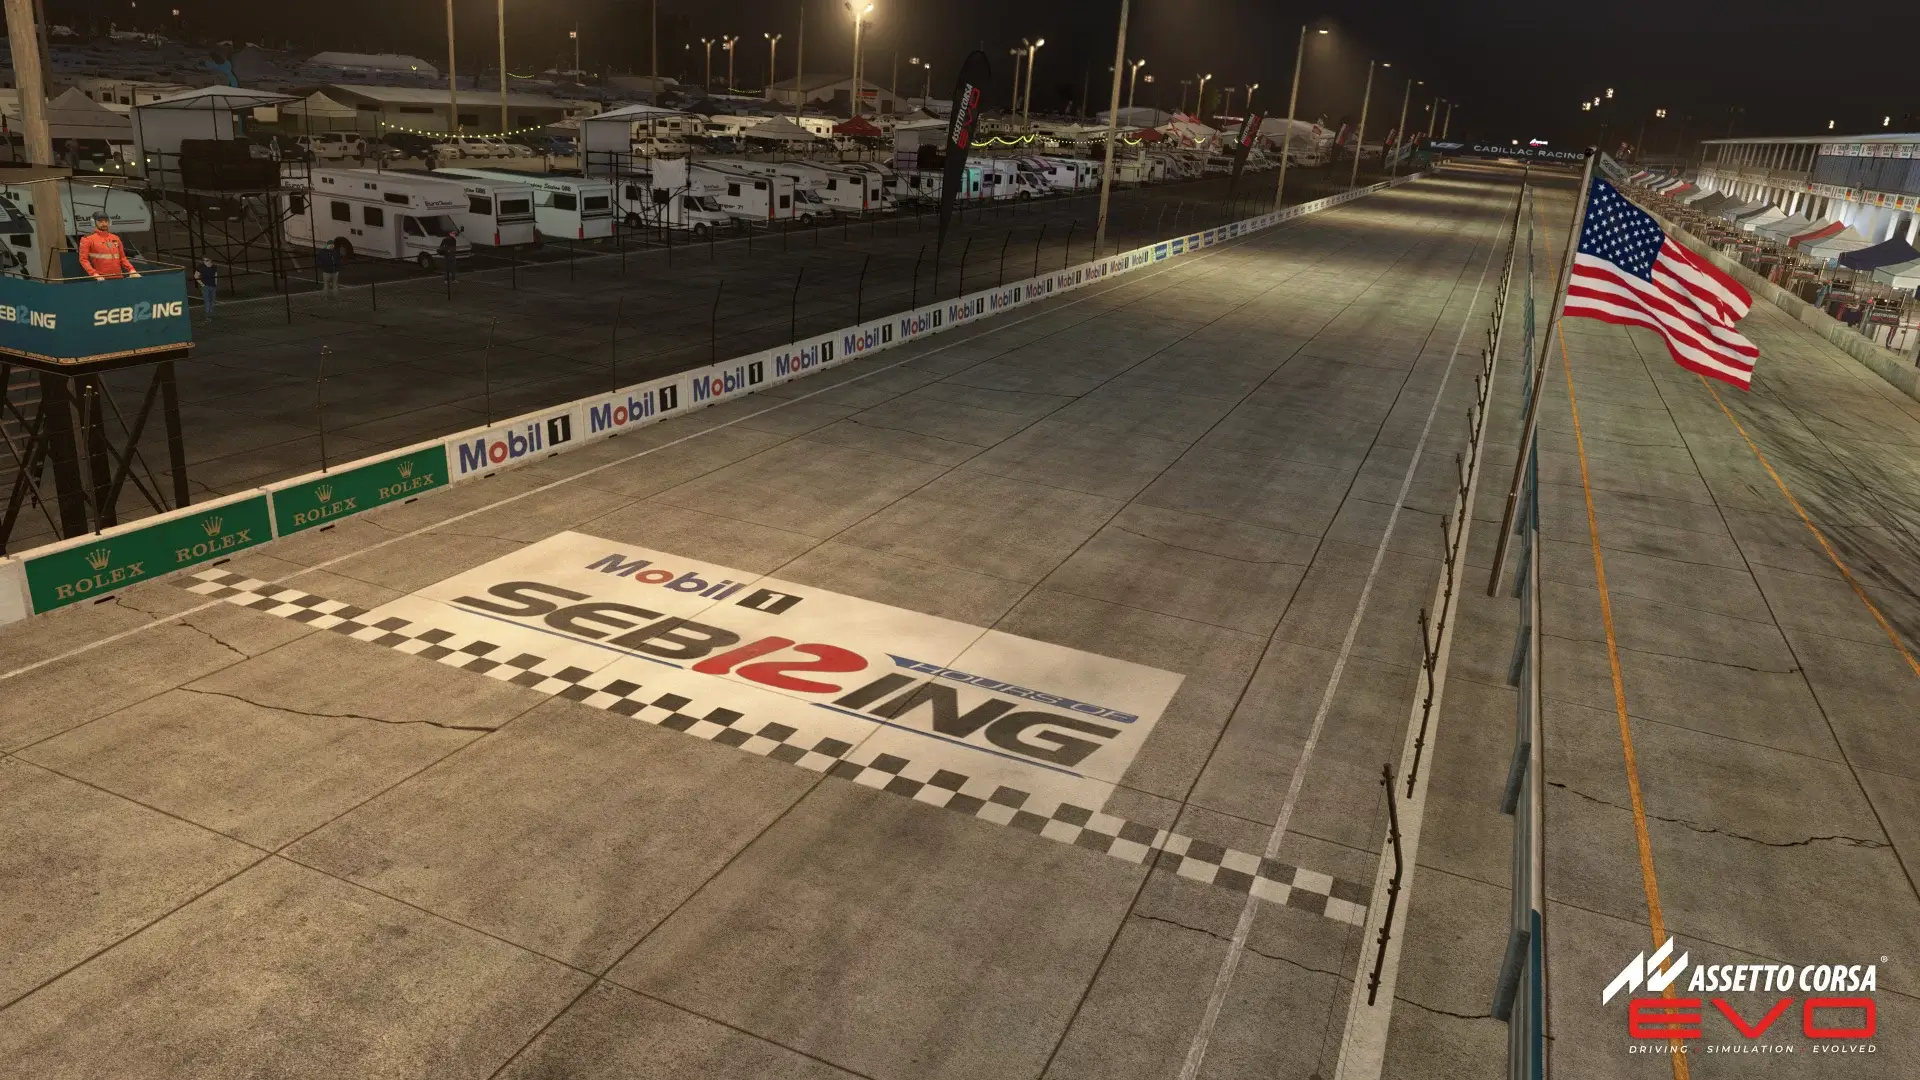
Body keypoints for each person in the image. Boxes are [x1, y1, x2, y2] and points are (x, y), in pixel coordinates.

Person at [77, 212, 138, 280]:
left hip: (118, 277)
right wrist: (94, 274)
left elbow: (122, 257)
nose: (104, 223)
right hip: (101, 279)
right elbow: (83, 260)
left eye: (106, 221)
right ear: (93, 222)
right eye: (100, 221)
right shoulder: (87, 239)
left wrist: (132, 270)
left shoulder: (115, 238)